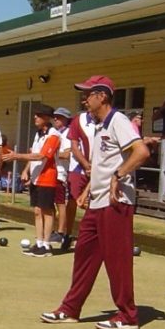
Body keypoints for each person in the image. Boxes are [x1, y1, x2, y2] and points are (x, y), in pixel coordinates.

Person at [40, 75, 149, 329]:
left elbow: (141, 152)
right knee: (84, 255)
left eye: (88, 94)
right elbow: (102, 164)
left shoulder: (118, 121)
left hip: (116, 202)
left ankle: (128, 315)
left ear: (102, 96)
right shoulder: (99, 125)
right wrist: (88, 189)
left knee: (117, 260)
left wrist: (118, 176)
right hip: (97, 201)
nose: (84, 99)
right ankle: (70, 309)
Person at [2, 104, 60, 257]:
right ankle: (39, 242)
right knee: (36, 211)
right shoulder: (38, 134)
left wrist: (17, 156)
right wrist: (26, 170)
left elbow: (41, 156)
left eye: (39, 115)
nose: (35, 117)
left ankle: (47, 245)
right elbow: (33, 154)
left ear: (47, 118)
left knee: (47, 211)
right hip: (36, 177)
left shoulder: (54, 135)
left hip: (47, 177)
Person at [66, 96, 97, 248]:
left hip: (100, 168)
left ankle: (89, 236)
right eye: (83, 100)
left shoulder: (107, 121)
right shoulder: (78, 120)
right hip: (79, 168)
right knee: (75, 201)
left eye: (87, 99)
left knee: (94, 203)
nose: (85, 102)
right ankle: (67, 233)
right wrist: (86, 165)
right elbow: (74, 146)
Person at [50, 107, 73, 250]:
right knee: (49, 203)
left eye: (59, 117)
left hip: (61, 172)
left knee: (60, 203)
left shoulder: (68, 134)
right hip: (51, 172)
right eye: (55, 117)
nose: (56, 119)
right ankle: (51, 230)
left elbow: (68, 154)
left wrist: (50, 153)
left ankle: (61, 232)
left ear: (65, 119)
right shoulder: (55, 134)